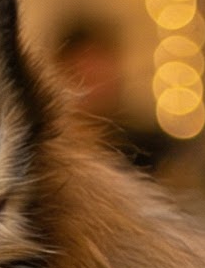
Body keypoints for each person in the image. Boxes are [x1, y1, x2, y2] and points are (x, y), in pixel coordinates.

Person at [49, 16, 171, 173]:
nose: (96, 88)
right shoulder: (50, 149)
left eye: (101, 74)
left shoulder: (151, 147)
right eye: (85, 77)